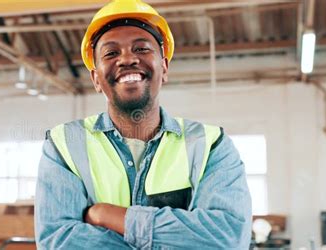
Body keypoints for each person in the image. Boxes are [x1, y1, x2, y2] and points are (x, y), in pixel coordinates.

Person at [35, 0, 252, 248]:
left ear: (165, 67)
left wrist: (107, 215)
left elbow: (229, 238)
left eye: (141, 49)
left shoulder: (210, 144)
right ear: (96, 78)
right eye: (111, 53)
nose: (127, 59)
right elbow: (58, 241)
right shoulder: (64, 144)